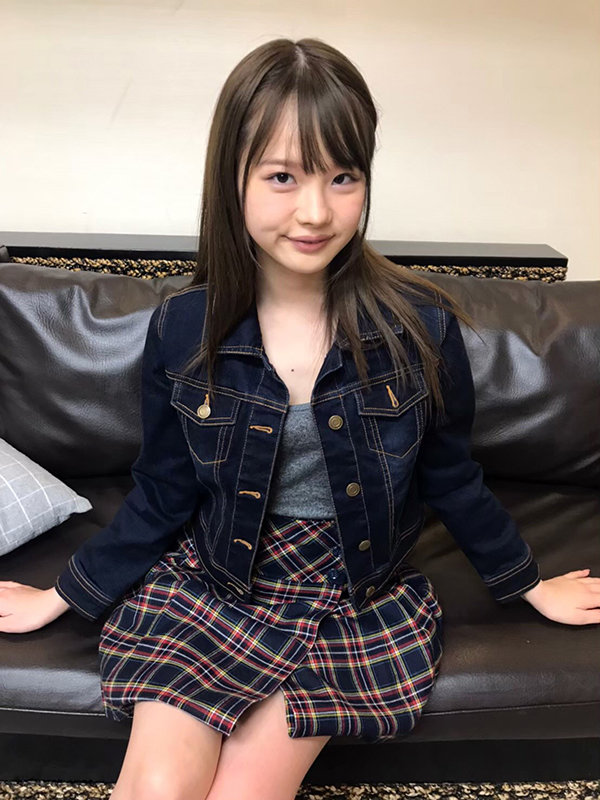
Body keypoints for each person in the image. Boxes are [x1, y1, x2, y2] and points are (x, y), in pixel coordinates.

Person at [1, 37, 598, 800]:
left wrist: (530, 585)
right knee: (155, 787)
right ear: (233, 178)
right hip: (217, 582)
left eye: (343, 177)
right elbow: (163, 491)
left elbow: (452, 478)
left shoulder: (421, 329)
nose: (316, 212)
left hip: (354, 596)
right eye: (282, 176)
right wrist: (61, 596)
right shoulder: (183, 330)